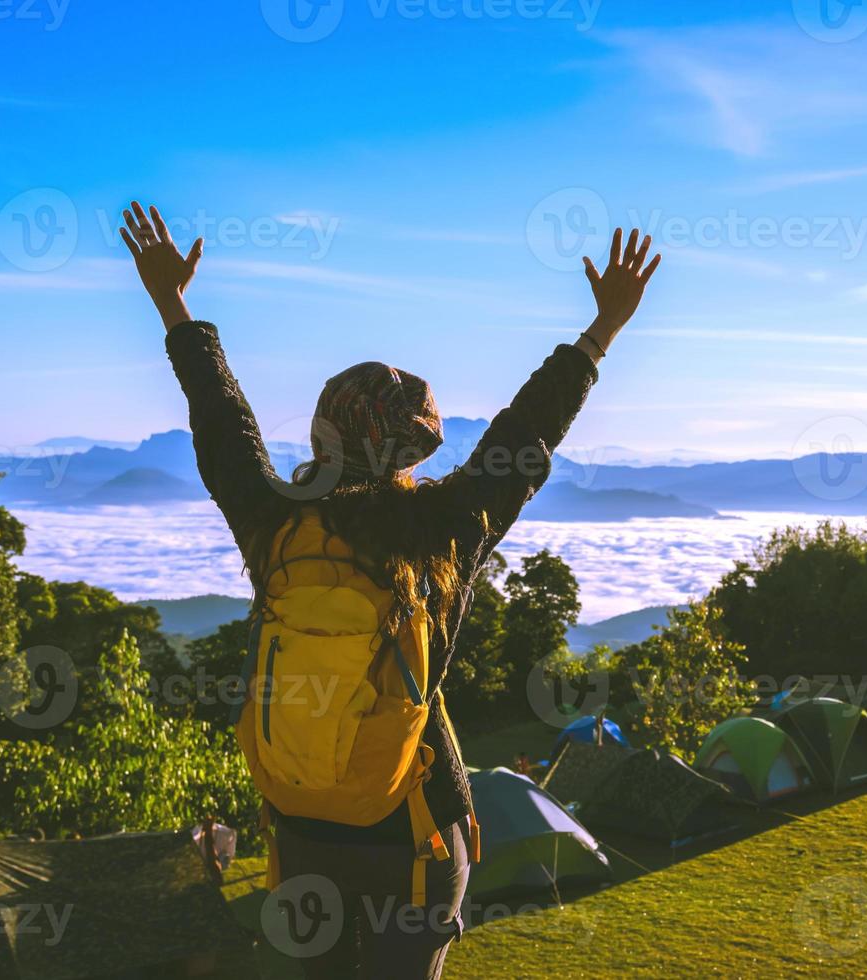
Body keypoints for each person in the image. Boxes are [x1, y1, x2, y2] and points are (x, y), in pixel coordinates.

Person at [119, 201, 660, 979]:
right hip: (413, 835)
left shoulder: (273, 524)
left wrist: (173, 305)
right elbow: (525, 436)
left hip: (303, 832)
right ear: (416, 444)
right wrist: (601, 331)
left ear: (323, 434)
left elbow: (221, 422)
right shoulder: (440, 534)